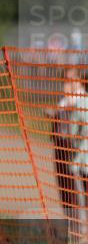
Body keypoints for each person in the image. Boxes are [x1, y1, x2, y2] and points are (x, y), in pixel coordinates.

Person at [51, 67, 88, 234]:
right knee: (66, 192)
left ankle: (80, 230)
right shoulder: (64, 101)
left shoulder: (82, 102)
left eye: (70, 79)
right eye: (65, 80)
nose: (67, 84)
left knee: (77, 194)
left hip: (79, 157)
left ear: (79, 81)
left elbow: (75, 133)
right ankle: (73, 228)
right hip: (63, 153)